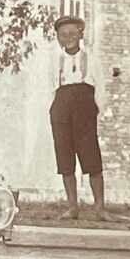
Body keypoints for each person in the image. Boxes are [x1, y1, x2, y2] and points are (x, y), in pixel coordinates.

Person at [50, 15, 107, 220]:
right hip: (61, 107)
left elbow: (100, 86)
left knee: (91, 155)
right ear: (58, 37)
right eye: (63, 35)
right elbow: (49, 89)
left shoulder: (91, 58)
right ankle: (72, 206)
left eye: (73, 33)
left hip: (84, 107)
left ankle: (99, 207)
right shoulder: (54, 60)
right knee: (64, 157)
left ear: (80, 34)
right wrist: (55, 110)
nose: (68, 38)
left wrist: (94, 110)